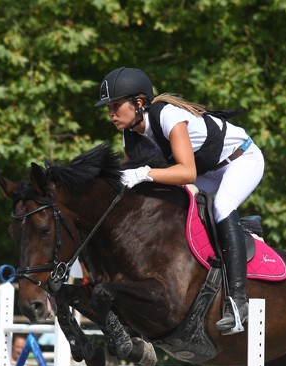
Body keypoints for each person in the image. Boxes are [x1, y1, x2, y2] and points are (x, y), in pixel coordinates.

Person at [95, 67, 265, 334]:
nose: (111, 114)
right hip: (208, 171)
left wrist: (144, 173)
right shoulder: (131, 137)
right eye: (109, 108)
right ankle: (239, 232)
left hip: (240, 160)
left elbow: (187, 173)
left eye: (116, 106)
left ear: (138, 103)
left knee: (222, 206)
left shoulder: (168, 116)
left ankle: (237, 303)